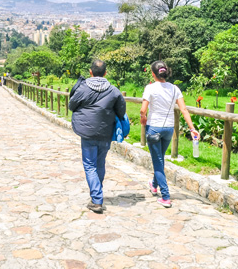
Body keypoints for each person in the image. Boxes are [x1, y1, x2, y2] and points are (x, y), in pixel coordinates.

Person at [69, 59, 126, 214]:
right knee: (100, 164)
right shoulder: (114, 91)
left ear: (91, 72)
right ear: (105, 73)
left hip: (86, 132)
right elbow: (121, 111)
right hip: (105, 132)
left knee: (89, 165)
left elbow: (71, 105)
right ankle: (97, 194)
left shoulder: (82, 88)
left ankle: (96, 200)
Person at [140, 61, 199, 208]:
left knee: (158, 163)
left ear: (153, 74)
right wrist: (192, 129)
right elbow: (184, 110)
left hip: (154, 128)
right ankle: (154, 185)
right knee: (159, 159)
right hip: (168, 129)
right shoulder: (175, 89)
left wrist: (143, 118)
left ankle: (165, 196)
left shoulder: (150, 88)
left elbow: (142, 110)